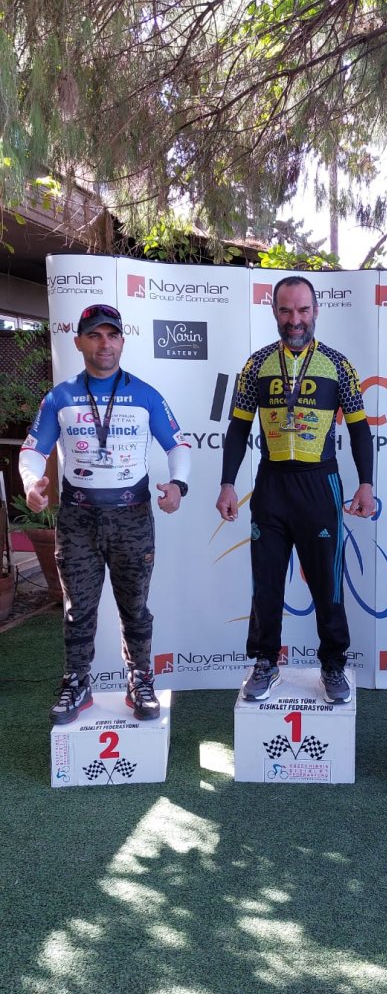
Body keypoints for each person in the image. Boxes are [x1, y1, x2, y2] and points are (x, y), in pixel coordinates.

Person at [19, 303, 191, 724]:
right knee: (78, 609)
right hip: (78, 521)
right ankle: (77, 682)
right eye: (94, 335)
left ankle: (140, 680)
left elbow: (178, 445)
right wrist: (31, 482)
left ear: (122, 342)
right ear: (78, 342)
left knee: (135, 607)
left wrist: (178, 484)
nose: (104, 344)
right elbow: (33, 450)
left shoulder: (145, 394)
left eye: (112, 335)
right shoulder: (60, 397)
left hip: (132, 518)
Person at [216, 275, 374, 703]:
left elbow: (360, 430)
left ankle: (333, 664)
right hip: (271, 485)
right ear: (274, 312)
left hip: (320, 484)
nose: (295, 319)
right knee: (266, 581)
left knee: (327, 583)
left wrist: (366, 483)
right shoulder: (257, 365)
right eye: (286, 310)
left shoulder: (338, 365)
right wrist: (228, 483)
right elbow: (237, 429)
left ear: (316, 311)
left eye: (303, 310)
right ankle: (265, 661)